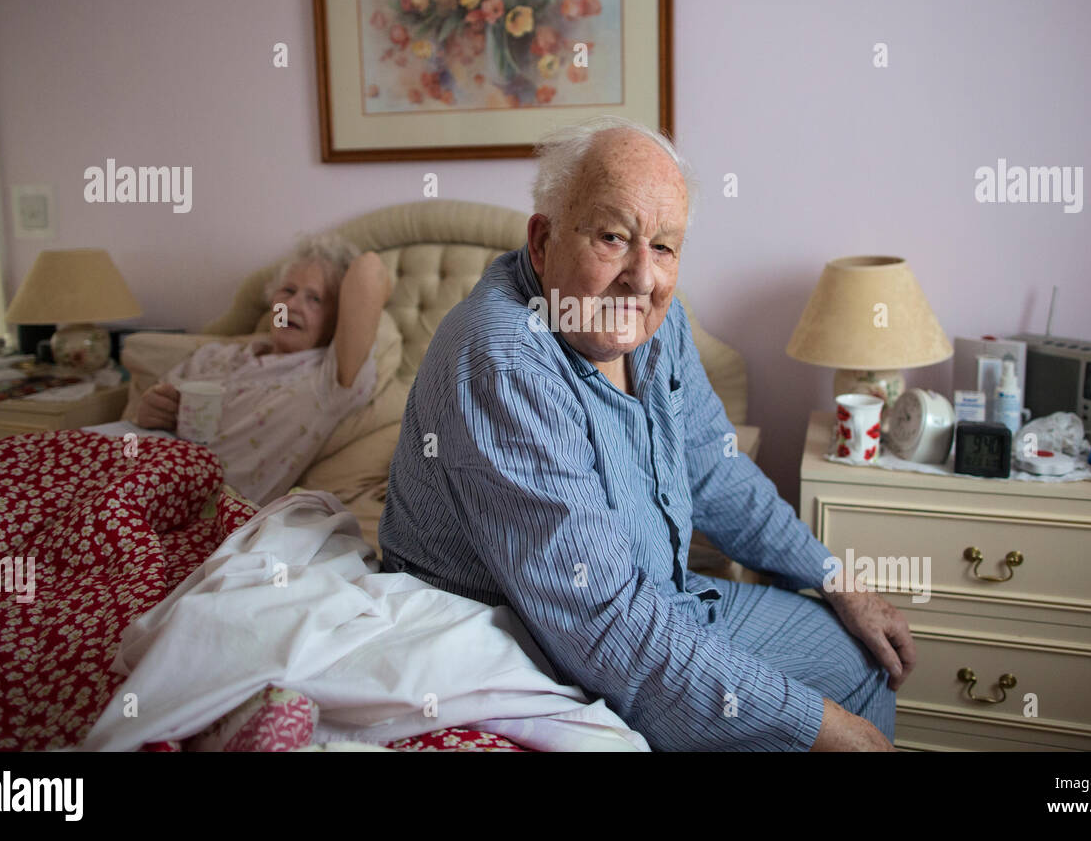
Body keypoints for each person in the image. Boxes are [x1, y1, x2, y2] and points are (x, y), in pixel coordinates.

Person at [379, 116, 915, 751]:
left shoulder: (658, 325)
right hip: (539, 645)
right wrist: (824, 730)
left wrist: (837, 580)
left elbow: (715, 470)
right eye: (612, 237)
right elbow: (607, 628)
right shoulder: (503, 357)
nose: (643, 276)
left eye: (664, 246)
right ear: (542, 241)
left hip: (662, 604)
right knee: (830, 727)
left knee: (861, 663)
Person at [134, 233, 392, 506]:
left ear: (340, 316)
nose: (292, 305)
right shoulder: (214, 356)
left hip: (197, 507)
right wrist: (149, 410)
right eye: (288, 291)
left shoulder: (328, 380)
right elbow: (144, 421)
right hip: (141, 471)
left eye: (315, 299)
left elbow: (370, 269)